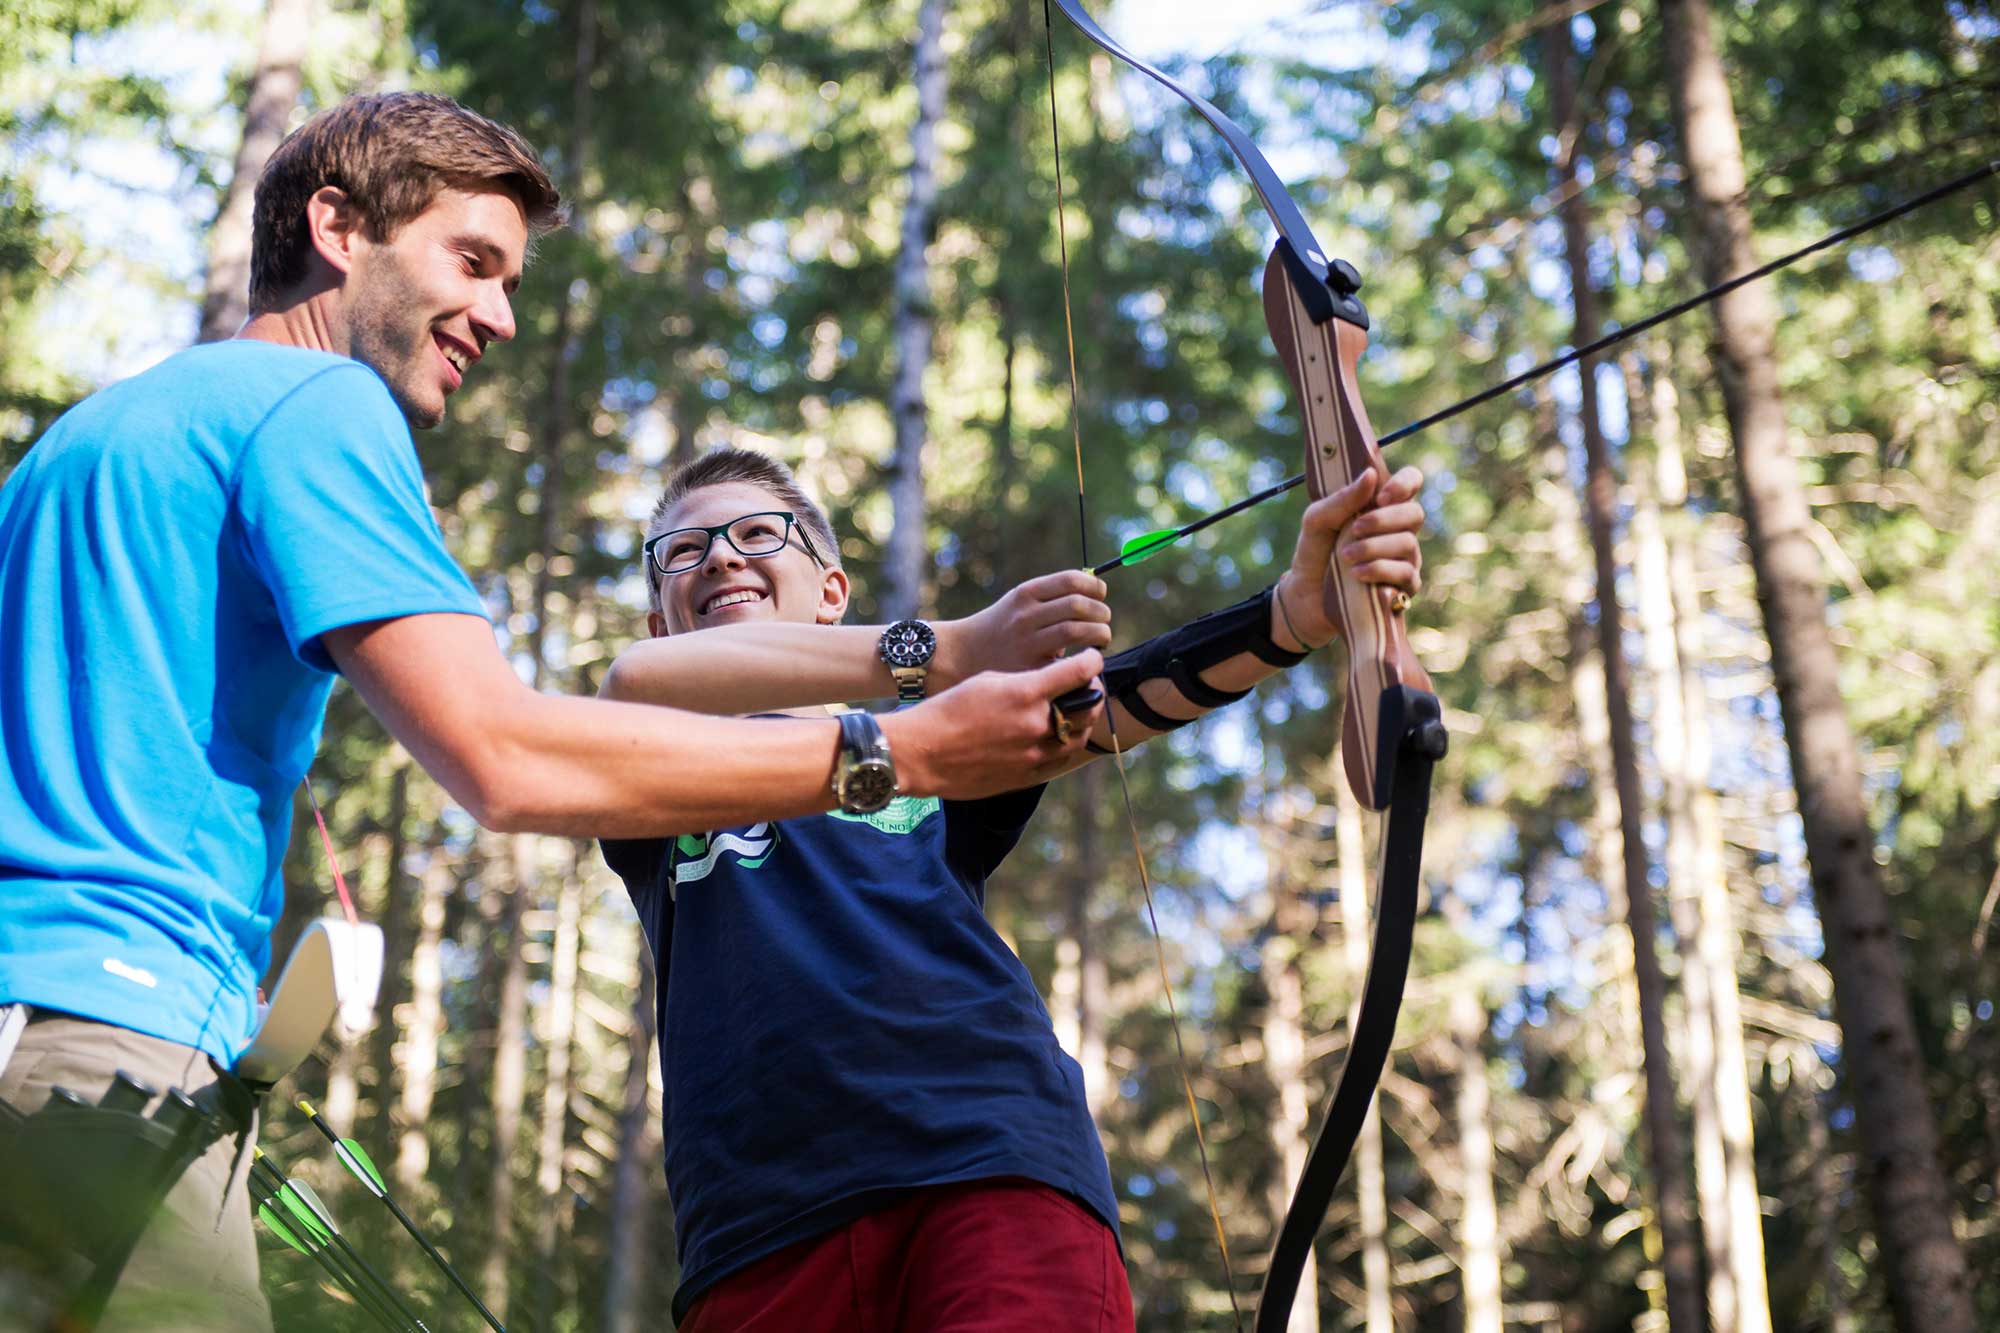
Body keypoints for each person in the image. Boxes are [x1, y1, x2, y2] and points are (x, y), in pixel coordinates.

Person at [0, 92, 1101, 1332]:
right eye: (470, 262)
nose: (498, 316)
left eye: (509, 279)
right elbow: (503, 755)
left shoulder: (76, 445)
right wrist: (896, 747)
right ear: (337, 227)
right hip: (102, 1047)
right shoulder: (314, 404)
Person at [596, 446, 1425, 1331]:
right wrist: (945, 649)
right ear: (660, 621)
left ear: (831, 591)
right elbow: (633, 687)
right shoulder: (654, 767)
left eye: (758, 533)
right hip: (757, 1230)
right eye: (683, 552)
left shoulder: (939, 733)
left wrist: (1292, 616)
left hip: (988, 1164)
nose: (720, 556)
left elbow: (1106, 704)